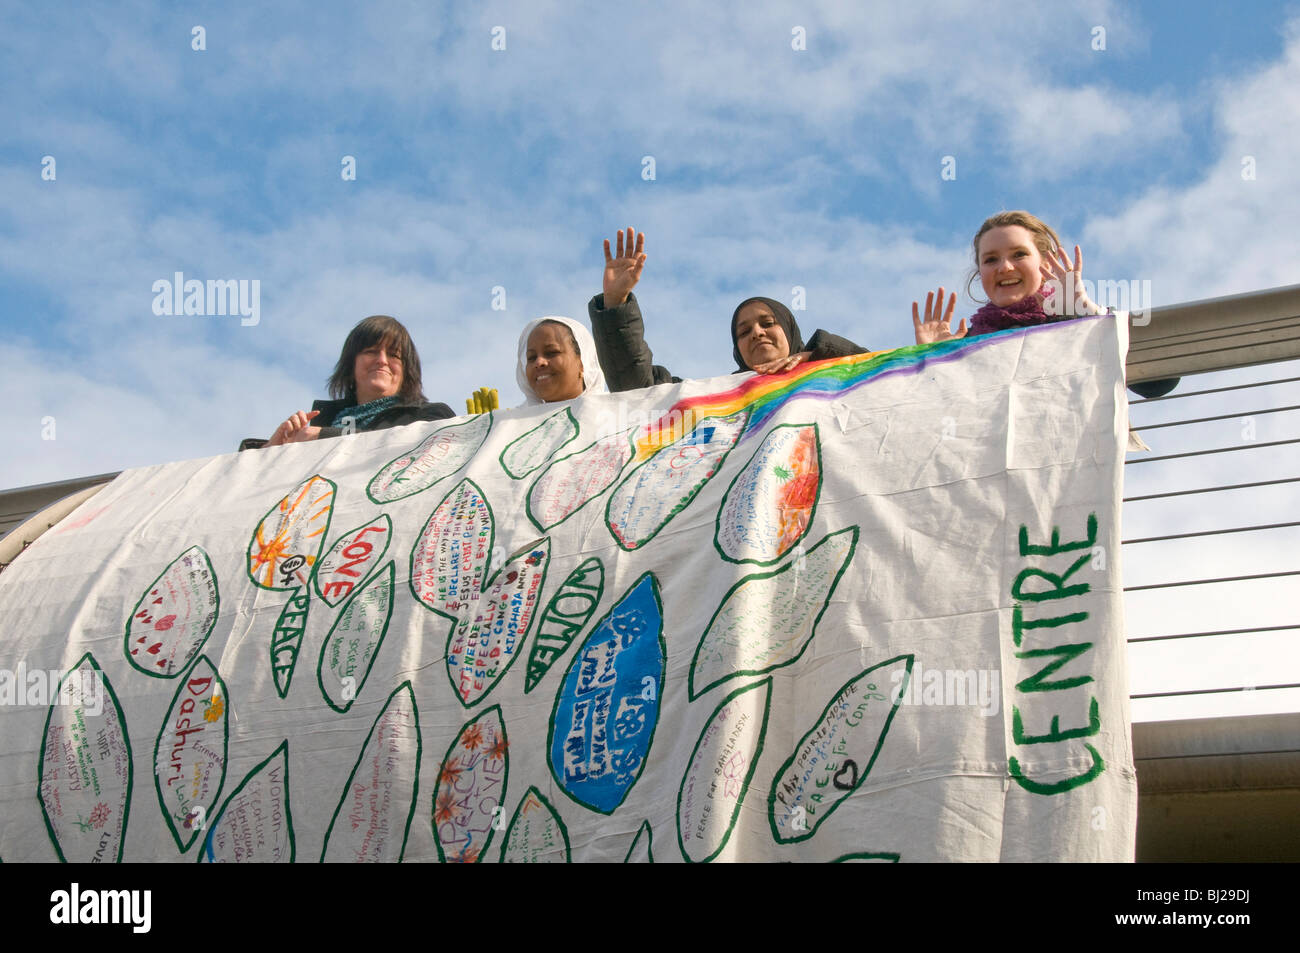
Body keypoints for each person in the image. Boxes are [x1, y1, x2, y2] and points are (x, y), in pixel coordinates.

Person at [588, 227, 869, 392]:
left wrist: (821, 357)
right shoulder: (718, 399)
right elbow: (638, 388)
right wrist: (616, 303)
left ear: (790, 329)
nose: (757, 333)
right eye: (744, 331)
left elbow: (886, 378)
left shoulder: (833, 378)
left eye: (767, 323)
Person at [911, 210, 1102, 345]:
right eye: (991, 259)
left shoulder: (1070, 319)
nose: (1004, 267)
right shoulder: (965, 342)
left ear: (1046, 263)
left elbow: (1132, 382)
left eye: (1019, 254)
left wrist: (1088, 315)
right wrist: (931, 359)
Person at [262, 315, 454, 446]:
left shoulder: (433, 416)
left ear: (407, 371)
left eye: (394, 355)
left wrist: (323, 436)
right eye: (370, 351)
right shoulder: (321, 423)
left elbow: (403, 446)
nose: (382, 360)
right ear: (351, 364)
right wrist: (273, 450)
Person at [516, 315, 607, 404]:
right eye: (531, 357)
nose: (539, 362)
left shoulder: (613, 413)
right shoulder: (511, 419)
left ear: (583, 363)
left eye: (551, 352)